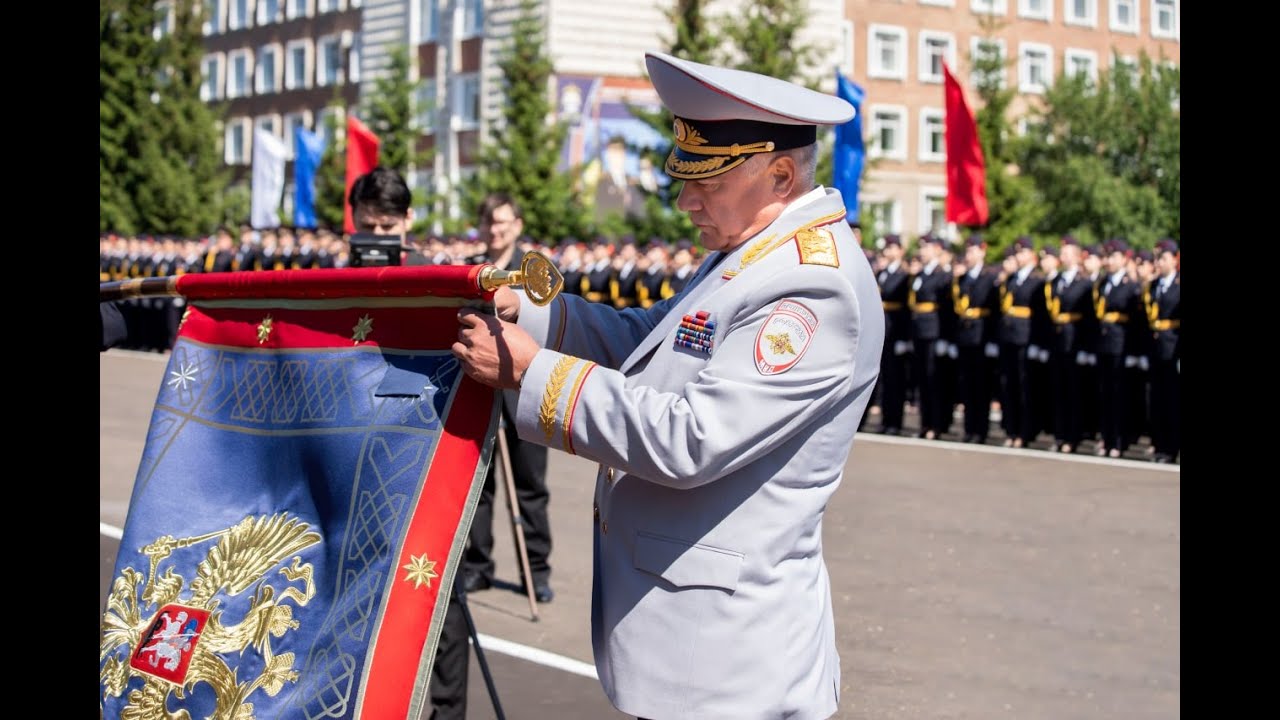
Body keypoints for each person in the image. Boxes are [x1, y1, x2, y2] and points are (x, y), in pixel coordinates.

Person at [451, 51, 883, 719]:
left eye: (706, 182)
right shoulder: (749, 252)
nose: (686, 200)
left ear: (780, 174)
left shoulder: (812, 283)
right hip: (697, 643)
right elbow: (651, 343)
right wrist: (533, 313)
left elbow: (692, 438)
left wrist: (531, 371)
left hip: (730, 663)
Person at [461, 192, 557, 605]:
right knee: (480, 488)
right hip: (481, 390)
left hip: (525, 390)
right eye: (490, 223)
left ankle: (536, 571)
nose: (496, 229)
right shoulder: (472, 271)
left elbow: (553, 323)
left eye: (503, 222)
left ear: (517, 224)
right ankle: (479, 567)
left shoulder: (532, 271)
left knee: (531, 485)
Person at [347, 166, 429, 265]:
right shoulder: (341, 277)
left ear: (408, 219)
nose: (377, 233)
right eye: (368, 226)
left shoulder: (429, 276)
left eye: (387, 226)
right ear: (353, 218)